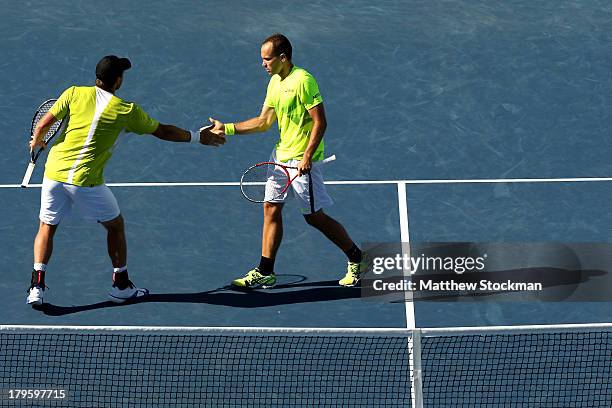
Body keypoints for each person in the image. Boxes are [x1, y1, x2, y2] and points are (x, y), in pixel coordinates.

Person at [26, 55, 225, 306]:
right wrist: (198, 137)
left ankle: (36, 286)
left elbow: (44, 123)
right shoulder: (126, 111)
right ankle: (120, 285)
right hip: (85, 181)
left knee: (46, 227)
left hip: (53, 174)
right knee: (116, 226)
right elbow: (163, 131)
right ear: (118, 81)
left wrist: (37, 138)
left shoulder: (73, 93)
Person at [209, 33, 365, 289]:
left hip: (303, 161)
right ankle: (265, 271)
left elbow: (320, 121)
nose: (263, 64)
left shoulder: (303, 80)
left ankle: (357, 258)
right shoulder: (274, 83)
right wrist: (225, 128)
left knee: (314, 217)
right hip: (280, 156)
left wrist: (306, 156)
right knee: (270, 208)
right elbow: (263, 122)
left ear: (283, 57)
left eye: (267, 59)